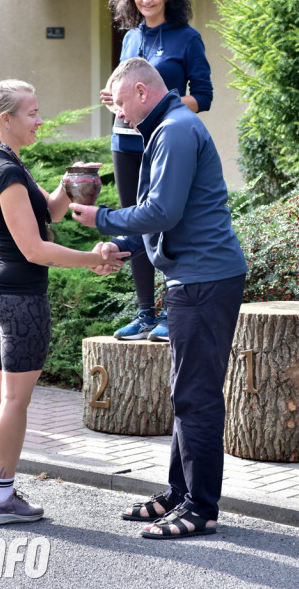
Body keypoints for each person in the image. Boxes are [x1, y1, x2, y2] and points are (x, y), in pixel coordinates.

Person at [71, 58, 247, 540]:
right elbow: (168, 217)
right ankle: (178, 494)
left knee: (197, 396)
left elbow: (162, 211)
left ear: (142, 92)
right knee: (184, 392)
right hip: (194, 279)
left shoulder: (174, 130)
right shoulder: (167, 128)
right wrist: (121, 245)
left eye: (120, 104)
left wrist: (102, 219)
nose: (119, 115)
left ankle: (201, 508)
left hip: (204, 281)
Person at [0, 79, 128, 526]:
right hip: (17, 298)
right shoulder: (6, 171)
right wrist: (93, 258)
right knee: (14, 399)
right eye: (32, 113)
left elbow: (48, 212)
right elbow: (34, 249)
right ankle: (2, 499)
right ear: (6, 119)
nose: (40, 120)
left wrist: (70, 184)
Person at [101, 0, 213, 342]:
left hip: (166, 142)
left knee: (167, 222)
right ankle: (145, 313)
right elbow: (126, 91)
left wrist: (160, 104)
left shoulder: (187, 38)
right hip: (125, 140)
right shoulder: (130, 37)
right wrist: (115, 100)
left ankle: (171, 312)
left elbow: (203, 96)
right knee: (134, 222)